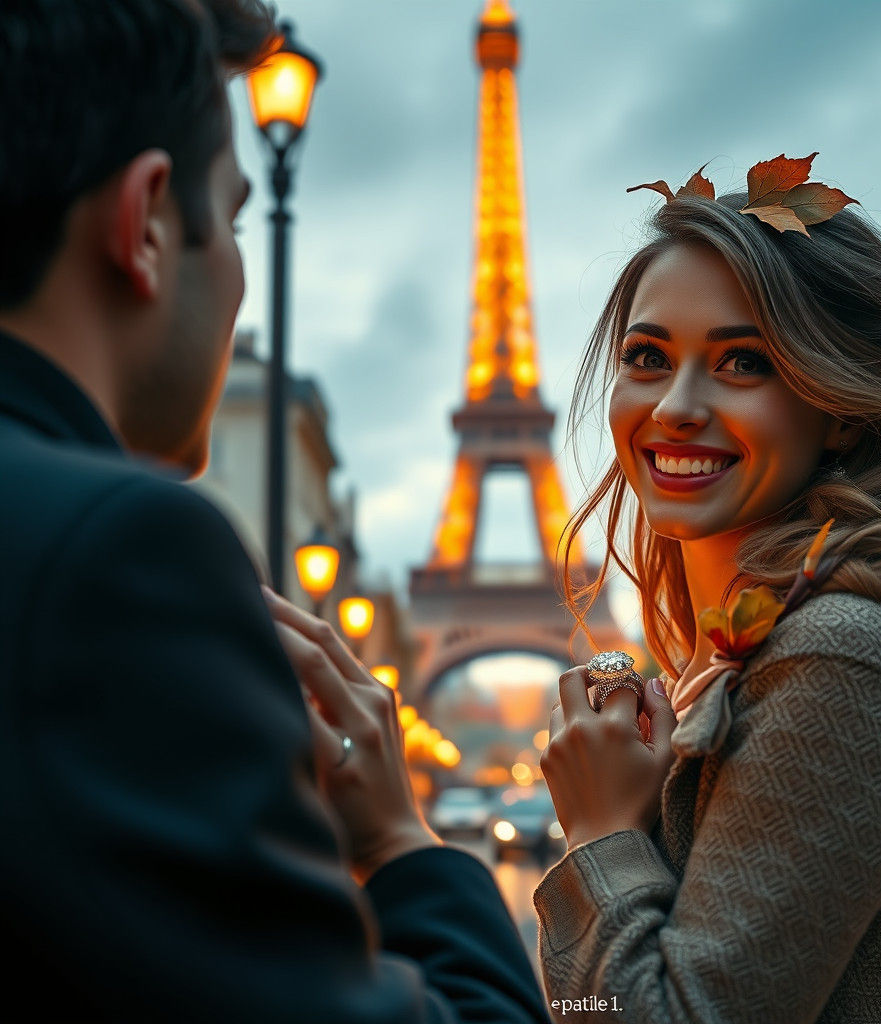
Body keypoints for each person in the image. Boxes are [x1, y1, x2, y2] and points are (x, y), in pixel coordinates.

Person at [0, 2, 549, 1021]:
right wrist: (397, 842)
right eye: (238, 216)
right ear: (148, 223)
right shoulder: (119, 556)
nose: (242, 274)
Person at [533, 157, 881, 1023]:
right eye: (647, 355)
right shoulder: (769, 648)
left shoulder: (844, 656)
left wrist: (602, 834)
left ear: (839, 405)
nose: (676, 405)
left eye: (743, 362)